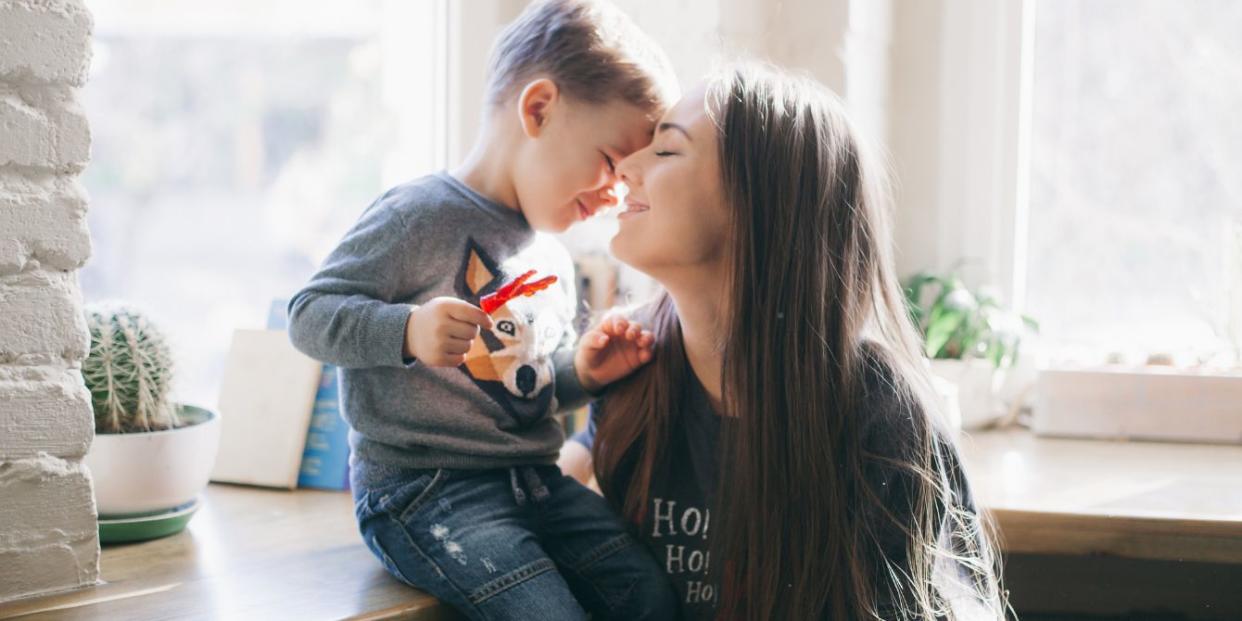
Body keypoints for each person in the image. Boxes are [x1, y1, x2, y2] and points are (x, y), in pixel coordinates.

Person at [560, 63, 1008, 620]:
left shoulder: (883, 418)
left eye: (667, 151)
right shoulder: (632, 373)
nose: (625, 167)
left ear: (760, 204)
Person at [287, 2, 679, 619]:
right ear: (539, 109)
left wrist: (585, 372)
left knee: (650, 596)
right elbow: (308, 313)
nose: (615, 194)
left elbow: (524, 388)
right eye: (610, 163)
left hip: (535, 482)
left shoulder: (550, 254)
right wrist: (407, 331)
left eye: (626, 180)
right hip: (423, 493)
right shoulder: (419, 215)